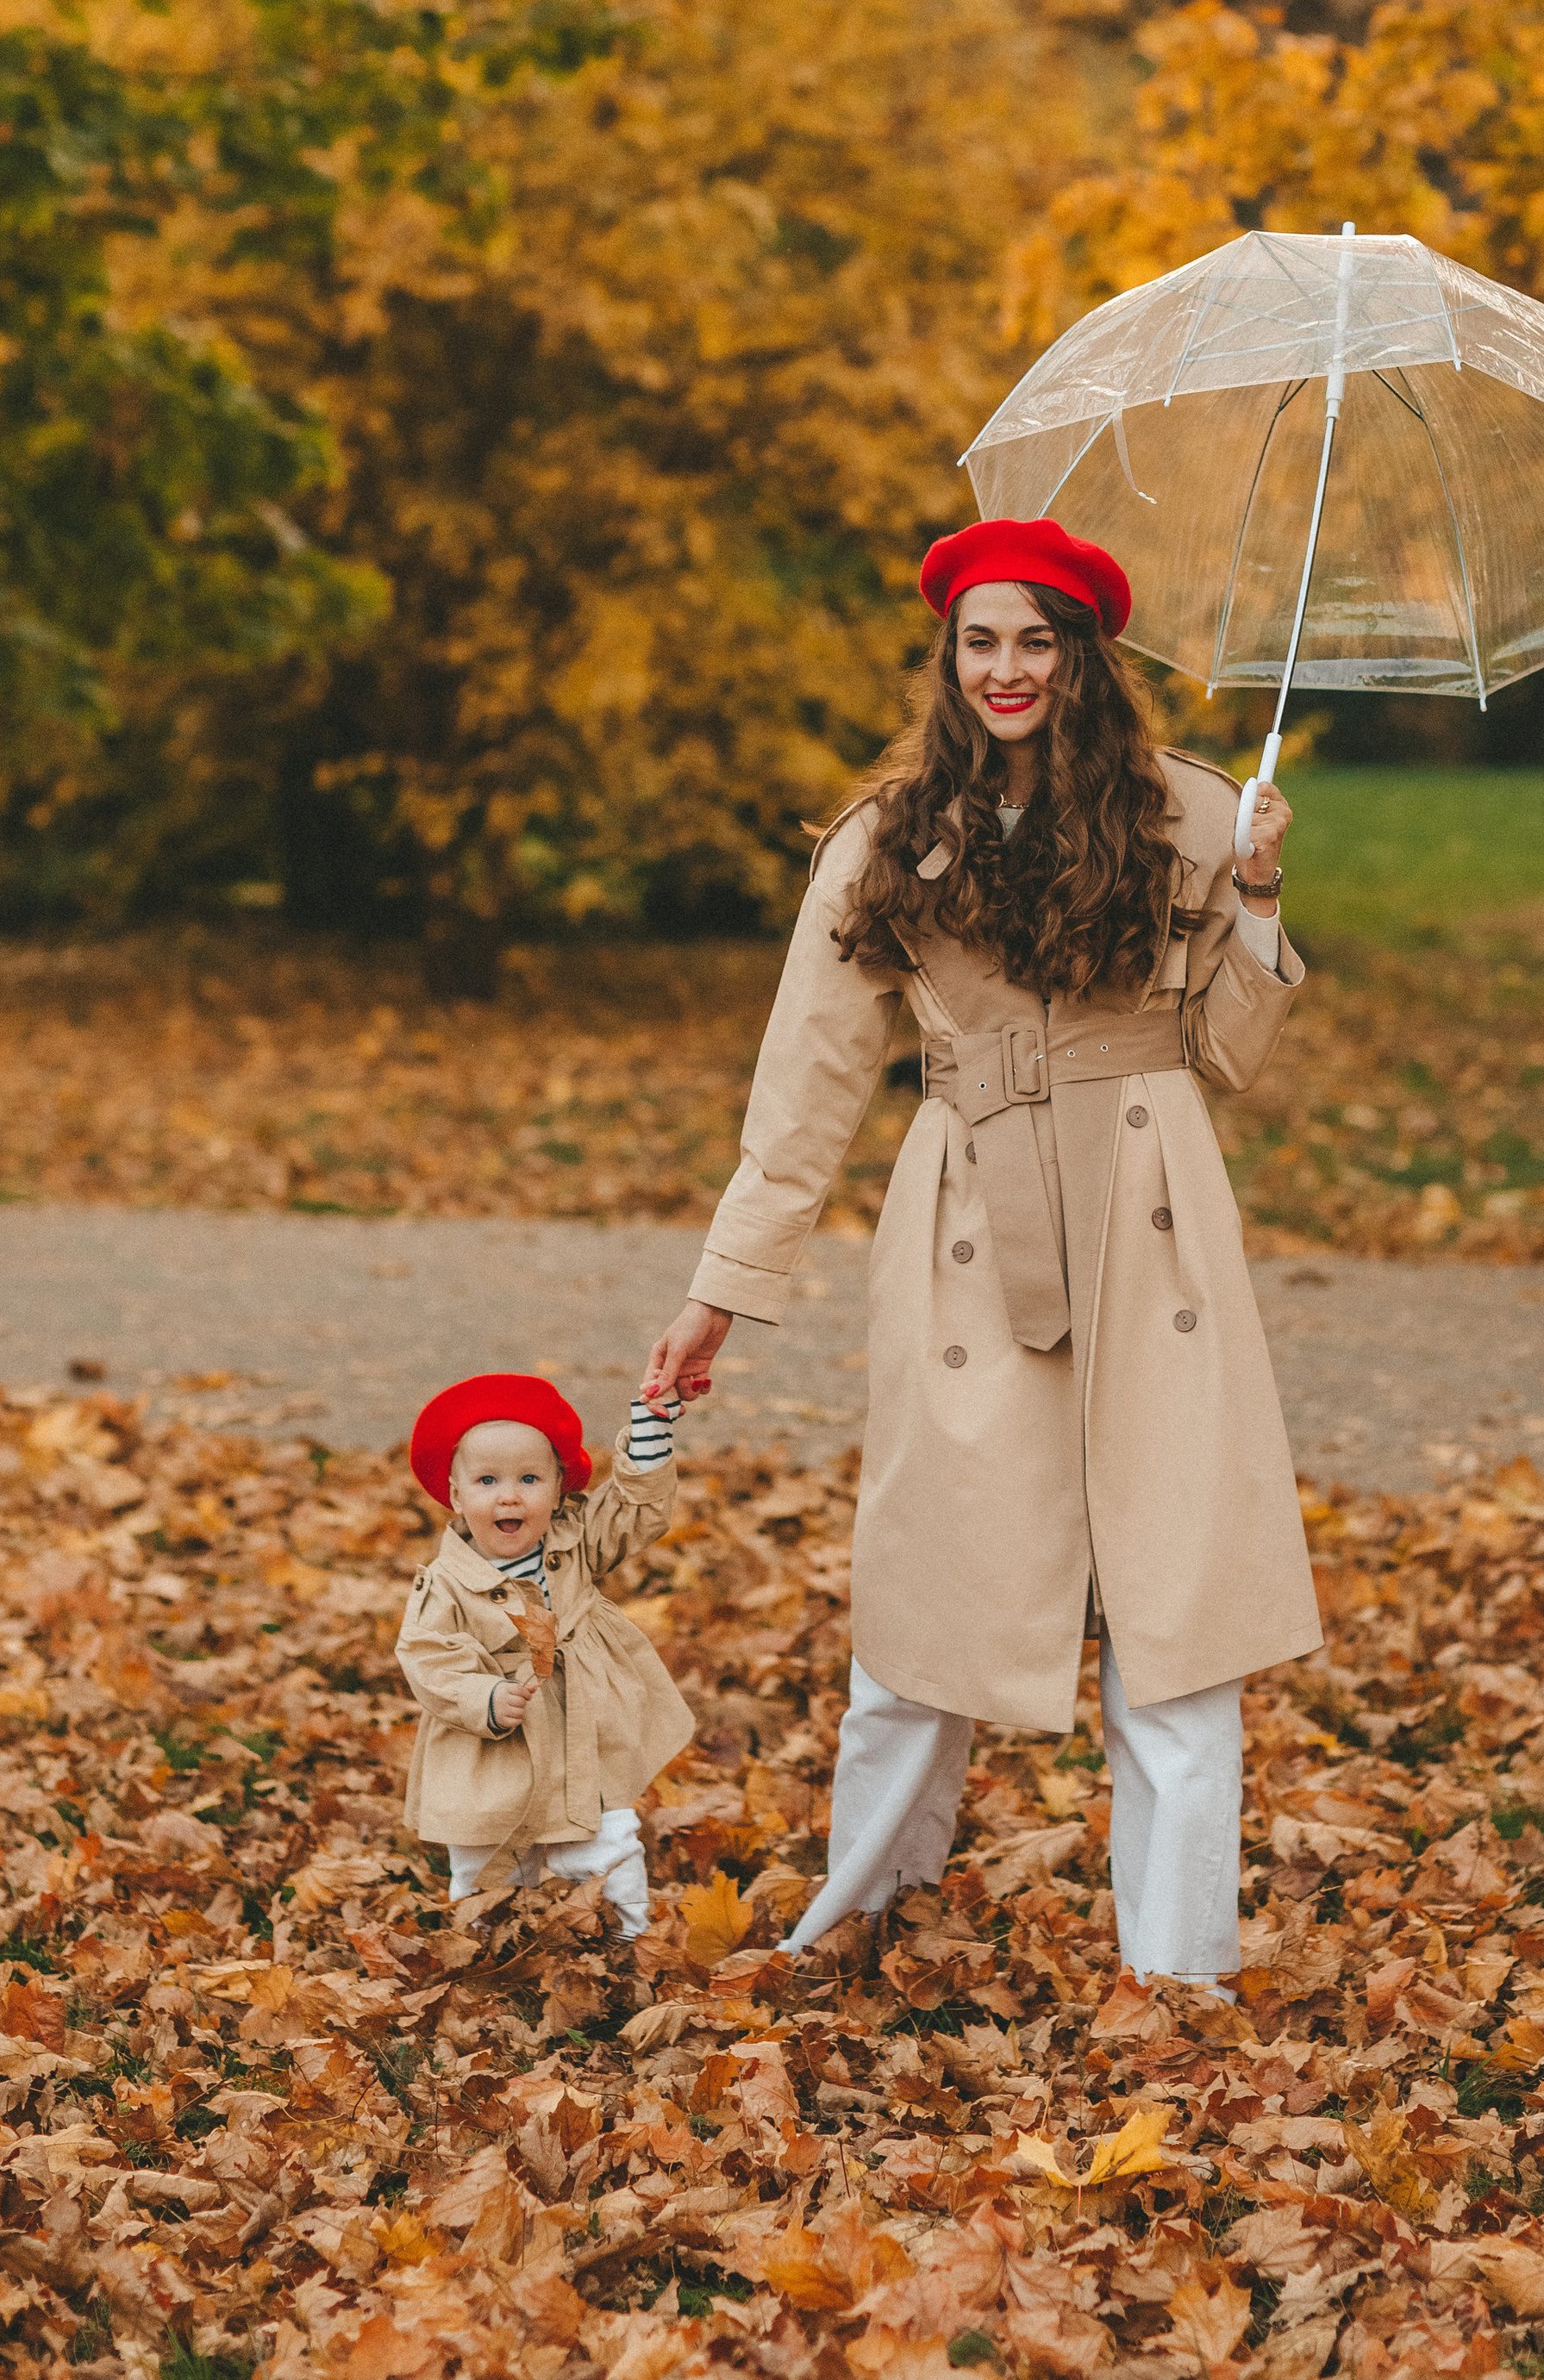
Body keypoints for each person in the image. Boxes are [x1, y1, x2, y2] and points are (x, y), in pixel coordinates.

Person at [642, 515, 1319, 1994]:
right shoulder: (885, 842)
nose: (1009, 669)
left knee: (1175, 1603)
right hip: (964, 1221)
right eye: (982, 641)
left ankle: (1183, 1974)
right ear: (949, 658)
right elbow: (806, 1089)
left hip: (1155, 1221)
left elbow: (1228, 1055)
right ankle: (865, 1915)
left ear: (1087, 656)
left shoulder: (1199, 817)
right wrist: (722, 1292)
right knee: (929, 1580)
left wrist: (1257, 900)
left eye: (1040, 639)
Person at [397, 1373, 696, 1925]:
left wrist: (651, 1428)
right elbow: (427, 1653)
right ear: (455, 1494)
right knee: (488, 1854)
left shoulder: (576, 1539)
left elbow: (634, 1511)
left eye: (530, 1478)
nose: (509, 1495)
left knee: (606, 1838)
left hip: (583, 1727)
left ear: (559, 1488)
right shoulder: (444, 1583)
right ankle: (487, 1943)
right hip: (493, 1742)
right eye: (487, 1480)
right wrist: (482, 1695)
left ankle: (629, 1938)